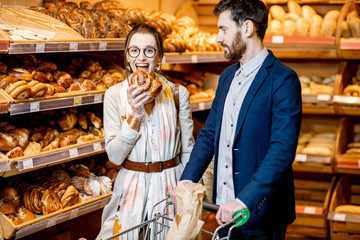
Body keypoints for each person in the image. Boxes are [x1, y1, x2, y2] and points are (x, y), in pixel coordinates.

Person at [172, 0, 302, 239]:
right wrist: (185, 183)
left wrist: (243, 201)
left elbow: (282, 150)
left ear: (247, 28)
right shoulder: (227, 76)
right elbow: (209, 134)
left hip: (259, 213)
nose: (218, 38)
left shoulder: (283, 80)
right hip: (223, 212)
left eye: (223, 29)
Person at [96, 23, 194, 240]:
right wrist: (135, 114)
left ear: (159, 58)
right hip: (131, 189)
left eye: (149, 50)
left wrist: (186, 191)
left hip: (171, 186)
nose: (141, 57)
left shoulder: (178, 94)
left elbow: (188, 150)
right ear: (127, 57)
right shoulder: (114, 95)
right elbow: (114, 156)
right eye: (134, 50)